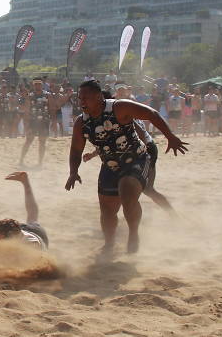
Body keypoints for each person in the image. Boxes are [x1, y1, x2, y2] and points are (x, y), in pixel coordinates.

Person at [65, 80, 188, 254]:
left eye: (86, 97)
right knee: (107, 210)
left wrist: (170, 136)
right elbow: (76, 149)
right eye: (80, 98)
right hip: (109, 164)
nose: (82, 101)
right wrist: (73, 172)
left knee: (128, 194)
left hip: (136, 158)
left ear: (99, 97)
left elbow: (151, 113)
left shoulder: (119, 107)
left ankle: (133, 234)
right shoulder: (81, 123)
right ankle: (109, 243)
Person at [19, 78, 50, 166]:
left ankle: (40, 162)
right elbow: (27, 111)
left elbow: (50, 108)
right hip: (33, 121)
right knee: (29, 141)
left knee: (42, 142)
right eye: (36, 84)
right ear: (33, 85)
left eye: (39, 84)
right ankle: (21, 160)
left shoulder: (47, 95)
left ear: (42, 85)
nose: (38, 86)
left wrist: (53, 120)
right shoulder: (30, 96)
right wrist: (26, 124)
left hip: (44, 121)